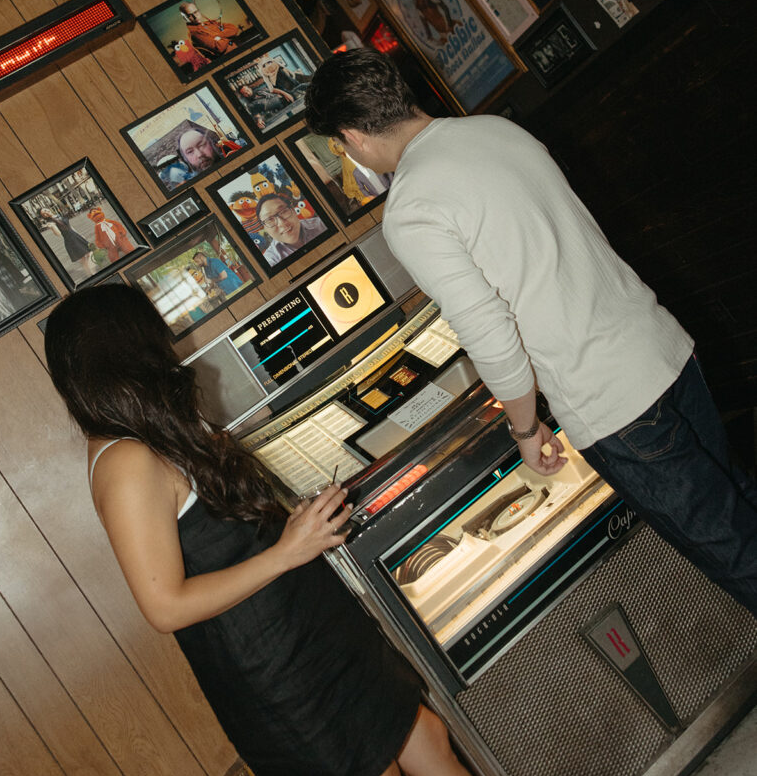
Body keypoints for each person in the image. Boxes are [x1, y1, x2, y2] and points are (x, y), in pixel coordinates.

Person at [305, 48, 757, 616]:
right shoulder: (496, 130)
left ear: (352, 137)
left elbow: (489, 331)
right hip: (662, 346)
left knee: (734, 548)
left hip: (611, 401)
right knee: (740, 498)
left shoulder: (412, 206)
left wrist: (524, 427)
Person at [43, 284, 505, 776]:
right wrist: (288, 551)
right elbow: (164, 606)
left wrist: (294, 527)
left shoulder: (150, 432)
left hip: (310, 629)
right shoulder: (124, 461)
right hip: (277, 669)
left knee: (428, 741)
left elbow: (220, 537)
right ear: (126, 347)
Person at [255, 193, 327, 267]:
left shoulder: (323, 224)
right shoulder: (271, 260)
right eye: (270, 219)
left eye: (283, 212)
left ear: (293, 210)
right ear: (265, 228)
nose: (282, 223)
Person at [38, 208, 96, 277]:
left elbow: (70, 226)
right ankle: (92, 274)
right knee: (84, 258)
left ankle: (91, 273)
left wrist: (79, 234)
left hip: (75, 236)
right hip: (70, 240)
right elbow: (58, 234)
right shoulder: (51, 222)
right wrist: (52, 227)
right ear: (44, 217)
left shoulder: (58, 216)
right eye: (44, 214)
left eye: (45, 210)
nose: (46, 212)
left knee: (88, 254)